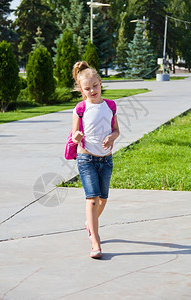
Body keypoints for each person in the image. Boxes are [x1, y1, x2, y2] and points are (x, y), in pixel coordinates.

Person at [72, 61, 120, 259]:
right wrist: (77, 138)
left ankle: (89, 223)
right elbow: (75, 132)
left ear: (100, 83)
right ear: (81, 90)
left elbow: (116, 129)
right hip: (86, 158)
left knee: (103, 199)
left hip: (106, 160)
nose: (92, 90)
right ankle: (95, 241)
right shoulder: (81, 108)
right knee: (92, 199)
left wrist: (112, 136)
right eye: (87, 88)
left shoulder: (110, 105)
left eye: (95, 86)